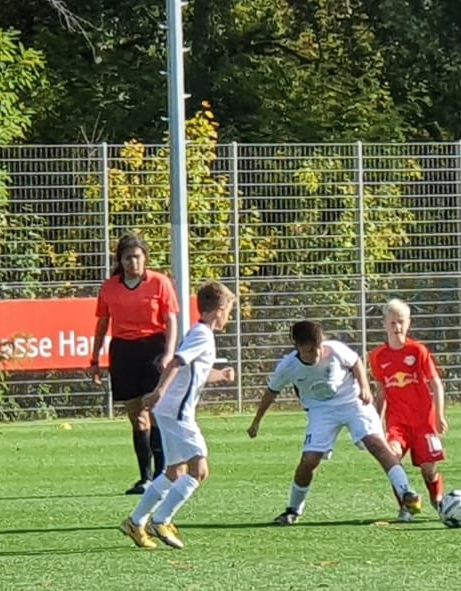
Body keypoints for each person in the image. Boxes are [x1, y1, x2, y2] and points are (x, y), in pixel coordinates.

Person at [248, 321, 422, 525]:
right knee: (309, 460)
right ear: (298, 348)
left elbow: (356, 362)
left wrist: (365, 387)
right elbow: (271, 392)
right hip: (321, 411)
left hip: (353, 402)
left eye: (318, 348)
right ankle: (293, 510)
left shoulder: (335, 350)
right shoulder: (287, 367)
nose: (316, 354)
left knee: (376, 443)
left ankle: (407, 493)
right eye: (309, 351)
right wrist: (256, 421)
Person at [120, 282, 238, 550]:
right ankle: (161, 520)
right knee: (199, 470)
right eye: (229, 311)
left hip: (170, 410)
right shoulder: (202, 335)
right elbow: (175, 361)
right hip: (177, 412)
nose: (229, 317)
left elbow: (193, 370)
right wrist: (158, 391)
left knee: (175, 471)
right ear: (219, 310)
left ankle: (135, 522)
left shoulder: (200, 333)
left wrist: (220, 375)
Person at [89, 234, 180, 495]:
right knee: (136, 416)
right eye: (128, 257)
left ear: (145, 258)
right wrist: (95, 358)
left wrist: (168, 353)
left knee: (156, 412)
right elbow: (102, 324)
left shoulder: (160, 283)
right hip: (124, 351)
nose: (133, 262)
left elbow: (170, 320)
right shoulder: (110, 288)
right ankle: (145, 478)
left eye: (137, 257)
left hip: (153, 349)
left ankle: (163, 474)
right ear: (120, 260)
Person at [369, 299, 449, 522]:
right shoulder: (377, 356)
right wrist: (375, 422)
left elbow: (436, 383)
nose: (397, 327)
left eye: (401, 321)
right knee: (392, 457)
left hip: (424, 421)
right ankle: (406, 506)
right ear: (384, 324)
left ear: (408, 323)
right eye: (392, 322)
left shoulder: (418, 351)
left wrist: (440, 415)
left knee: (428, 469)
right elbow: (381, 392)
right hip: (397, 423)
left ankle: (437, 500)